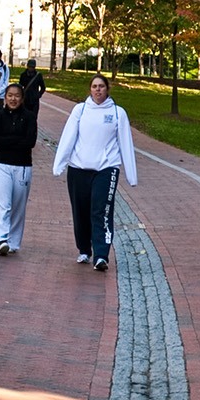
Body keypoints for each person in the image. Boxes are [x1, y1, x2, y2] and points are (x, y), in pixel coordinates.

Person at [52, 73, 139, 269]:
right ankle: (84, 249)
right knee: (80, 211)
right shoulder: (80, 110)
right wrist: (60, 163)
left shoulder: (118, 113)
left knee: (101, 210)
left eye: (101, 86)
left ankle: (101, 255)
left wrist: (131, 175)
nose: (98, 89)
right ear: (89, 90)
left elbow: (126, 143)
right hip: (78, 169)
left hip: (106, 169)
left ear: (107, 89)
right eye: (94, 86)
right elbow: (68, 137)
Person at [0, 80, 39, 255]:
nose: (13, 99)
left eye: (17, 96)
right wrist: (17, 140)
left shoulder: (30, 117)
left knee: (18, 205)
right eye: (10, 96)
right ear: (5, 98)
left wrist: (9, 140)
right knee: (4, 202)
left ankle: (13, 242)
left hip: (23, 166)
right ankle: (1, 238)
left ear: (22, 98)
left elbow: (30, 142)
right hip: (1, 164)